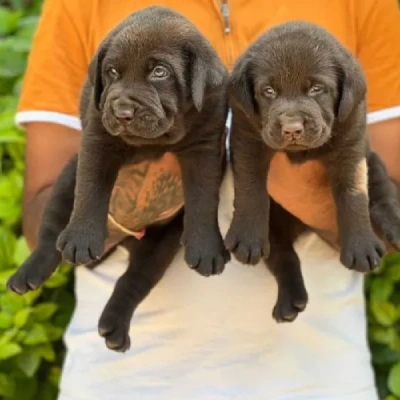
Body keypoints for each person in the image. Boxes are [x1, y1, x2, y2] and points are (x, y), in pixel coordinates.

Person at [16, 0, 400, 399]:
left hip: (318, 377)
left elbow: (387, 218)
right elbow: (42, 212)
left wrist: (276, 164)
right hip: (122, 380)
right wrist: (155, 179)